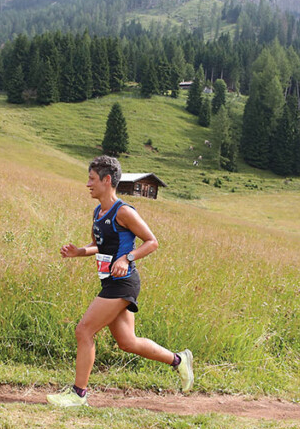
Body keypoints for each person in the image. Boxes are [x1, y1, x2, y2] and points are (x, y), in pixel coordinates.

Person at [47, 155, 194, 407]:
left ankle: (78, 394)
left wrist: (127, 257)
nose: (87, 184)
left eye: (92, 179)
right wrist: (78, 252)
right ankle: (179, 360)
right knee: (128, 342)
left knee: (84, 330)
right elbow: (97, 246)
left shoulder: (123, 211)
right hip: (110, 282)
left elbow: (152, 242)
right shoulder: (98, 211)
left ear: (106, 180)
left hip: (123, 282)